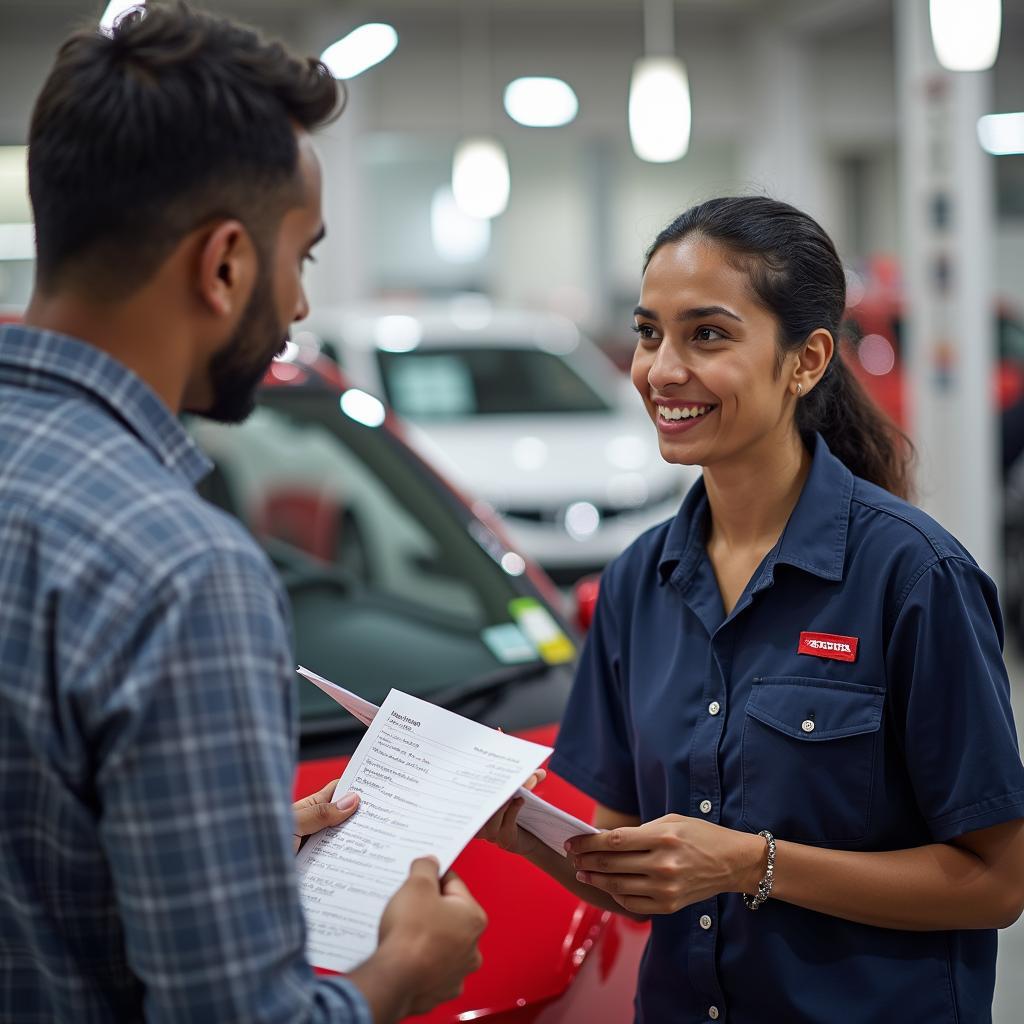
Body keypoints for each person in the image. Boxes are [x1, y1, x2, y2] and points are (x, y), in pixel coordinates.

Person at [0, 4, 485, 1022]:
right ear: (223, 265)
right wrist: (403, 972)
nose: (300, 306)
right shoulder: (180, 571)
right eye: (300, 256)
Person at [480, 196, 1024, 1022]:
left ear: (805, 361)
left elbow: (997, 882)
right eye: (649, 332)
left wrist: (750, 864)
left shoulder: (913, 578)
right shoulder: (636, 583)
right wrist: (510, 827)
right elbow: (643, 884)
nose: (662, 369)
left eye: (708, 335)